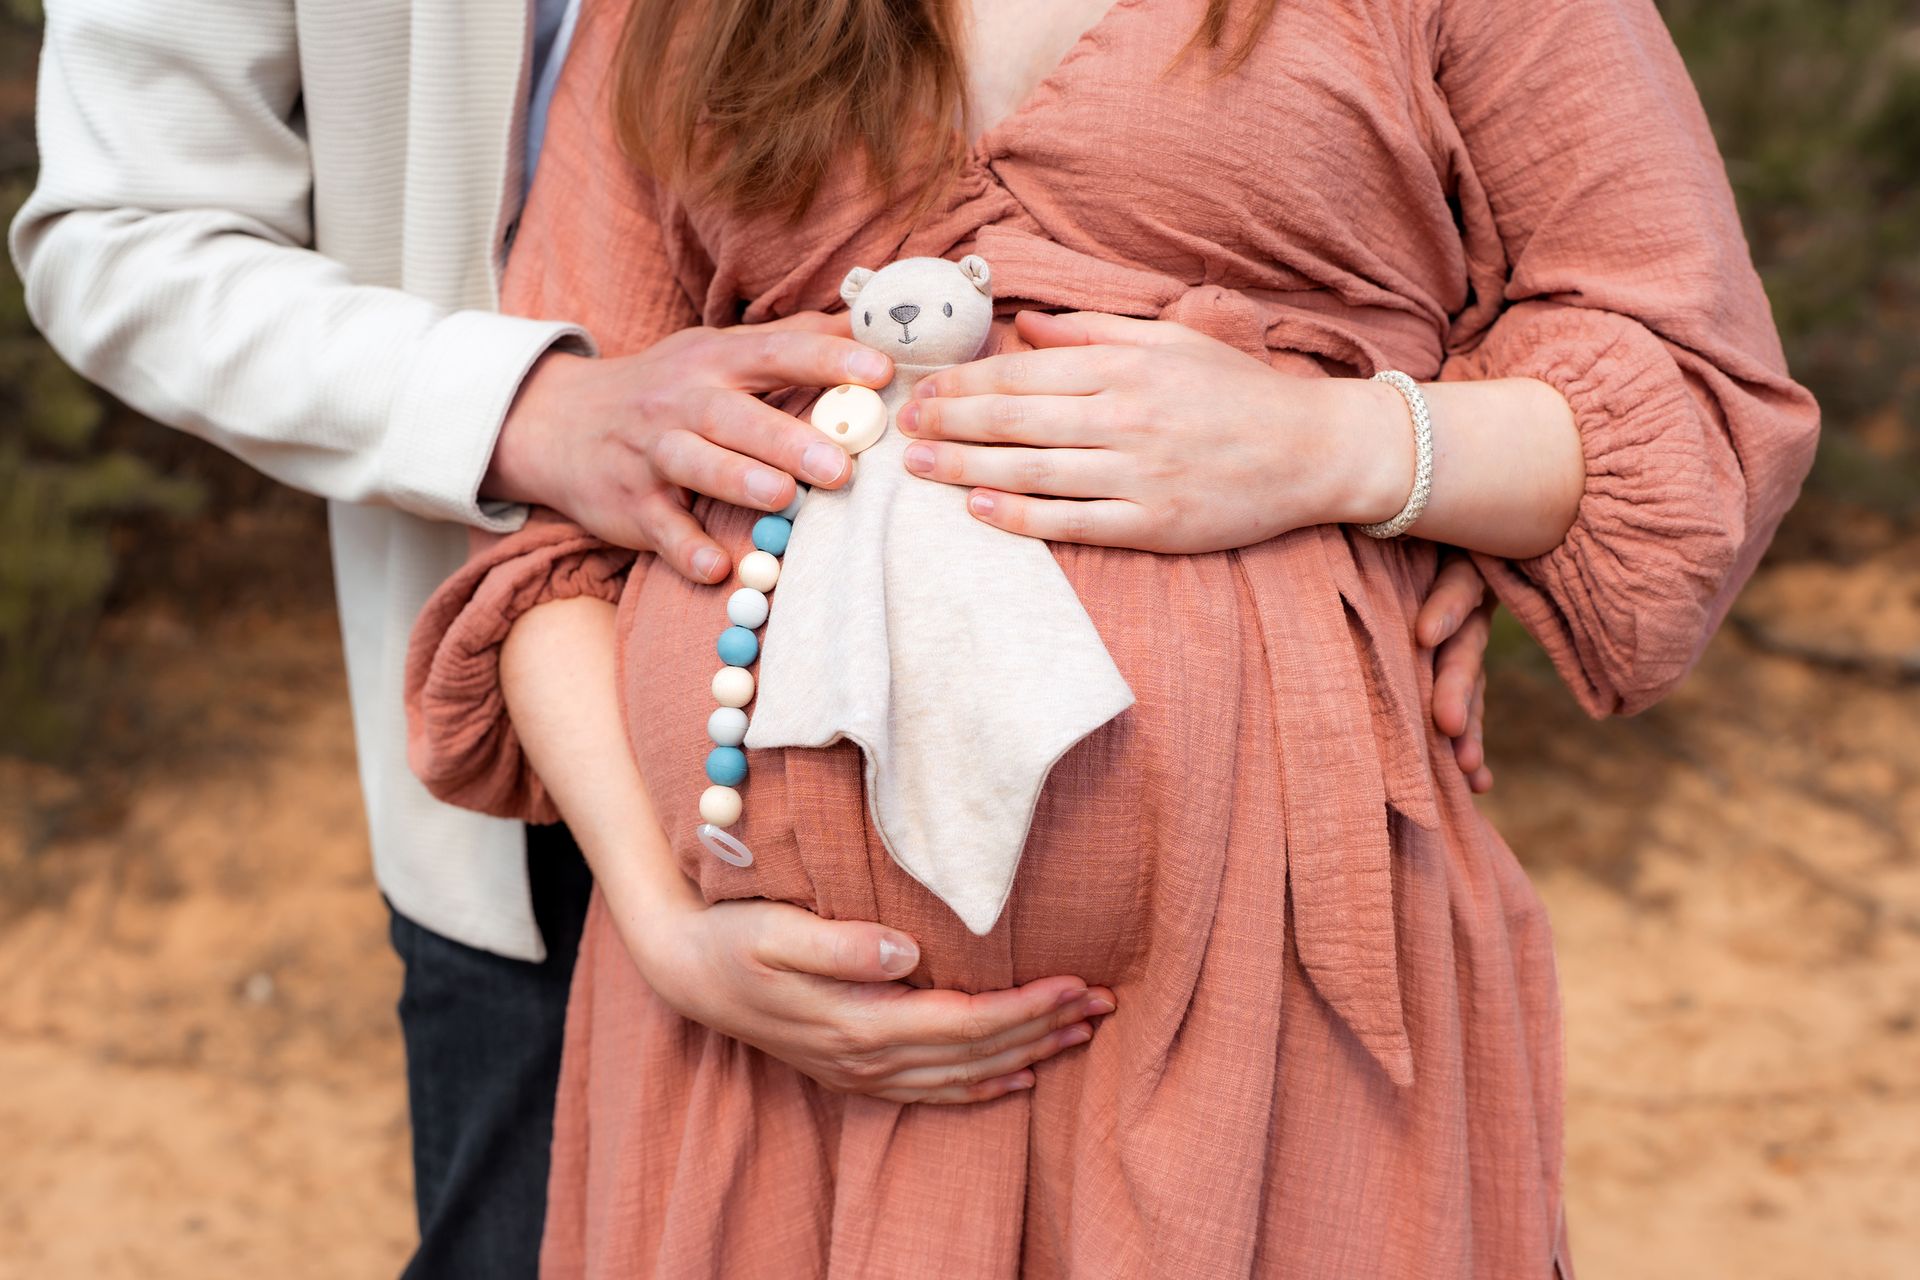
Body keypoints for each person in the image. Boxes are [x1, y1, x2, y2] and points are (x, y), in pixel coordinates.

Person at [13, 1, 1515, 1274]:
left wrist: (1398, 462)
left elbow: (1571, 270)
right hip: (552, 728)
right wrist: (532, 406)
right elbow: (128, 231)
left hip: (1232, 929)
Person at [407, 0, 1820, 1275]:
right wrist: (662, 931)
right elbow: (552, 530)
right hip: (764, 1051)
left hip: (1261, 1024)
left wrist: (1346, 446)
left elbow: (1695, 402)